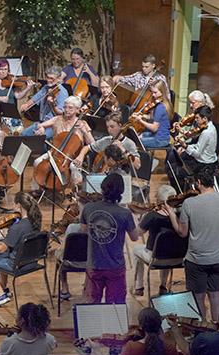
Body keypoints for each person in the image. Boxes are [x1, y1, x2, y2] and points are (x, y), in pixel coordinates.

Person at [168, 168, 219, 321]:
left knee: (198, 297)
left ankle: (200, 330)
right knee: (216, 294)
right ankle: (217, 327)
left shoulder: (189, 203)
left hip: (198, 259)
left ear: (198, 182)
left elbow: (182, 232)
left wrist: (171, 213)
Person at [81, 173, 141, 303]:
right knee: (115, 308)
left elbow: (85, 230)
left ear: (103, 188)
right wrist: (133, 216)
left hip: (94, 264)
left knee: (91, 305)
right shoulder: (124, 214)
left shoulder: (89, 208)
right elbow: (135, 237)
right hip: (115, 266)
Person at [0, 192, 42, 308]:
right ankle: (3, 287)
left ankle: (1, 295)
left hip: (17, 264)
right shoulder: (36, 221)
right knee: (4, 254)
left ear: (19, 205)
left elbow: (1, 249)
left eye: (13, 204)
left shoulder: (17, 227)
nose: (12, 206)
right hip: (32, 262)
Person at [131, 185, 178, 296]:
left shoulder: (152, 216)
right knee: (166, 248)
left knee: (136, 249)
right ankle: (163, 285)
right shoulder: (180, 215)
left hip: (155, 258)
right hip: (178, 258)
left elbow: (138, 233)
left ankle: (139, 286)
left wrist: (134, 217)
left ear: (159, 200)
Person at [170, 105, 219, 189]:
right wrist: (186, 146)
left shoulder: (206, 132)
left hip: (204, 165)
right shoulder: (211, 127)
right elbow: (198, 145)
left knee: (174, 173)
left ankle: (183, 194)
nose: (195, 120)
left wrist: (185, 146)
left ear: (205, 119)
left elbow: (197, 153)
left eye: (197, 118)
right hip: (208, 162)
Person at [19, 67, 70, 139]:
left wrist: (52, 105)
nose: (49, 80)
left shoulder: (62, 93)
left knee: (41, 139)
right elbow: (34, 99)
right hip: (41, 122)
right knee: (23, 135)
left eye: (52, 78)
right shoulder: (46, 88)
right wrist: (26, 105)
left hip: (53, 125)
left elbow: (60, 114)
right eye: (48, 78)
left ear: (59, 79)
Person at [133, 79, 173, 153]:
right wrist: (142, 116)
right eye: (152, 92)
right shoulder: (165, 103)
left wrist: (140, 121)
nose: (153, 95)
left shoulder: (160, 107)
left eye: (155, 92)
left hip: (160, 140)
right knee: (139, 135)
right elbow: (154, 118)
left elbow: (154, 128)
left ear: (162, 91)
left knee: (134, 143)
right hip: (163, 137)